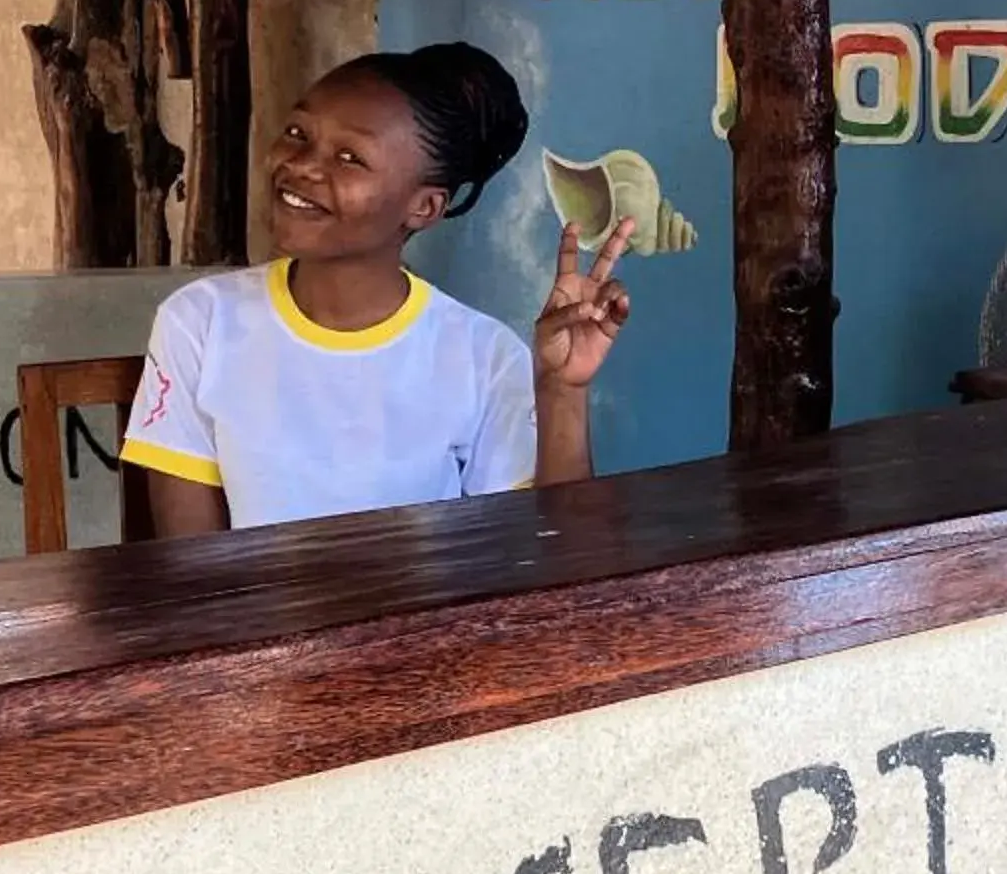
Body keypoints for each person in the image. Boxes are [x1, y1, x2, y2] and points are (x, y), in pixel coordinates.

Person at [121, 41, 632, 539]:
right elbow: (193, 566)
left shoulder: (482, 357)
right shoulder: (200, 323)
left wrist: (563, 393)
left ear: (424, 207)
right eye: (298, 132)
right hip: (256, 626)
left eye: (349, 157)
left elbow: (558, 555)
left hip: (431, 627)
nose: (300, 164)